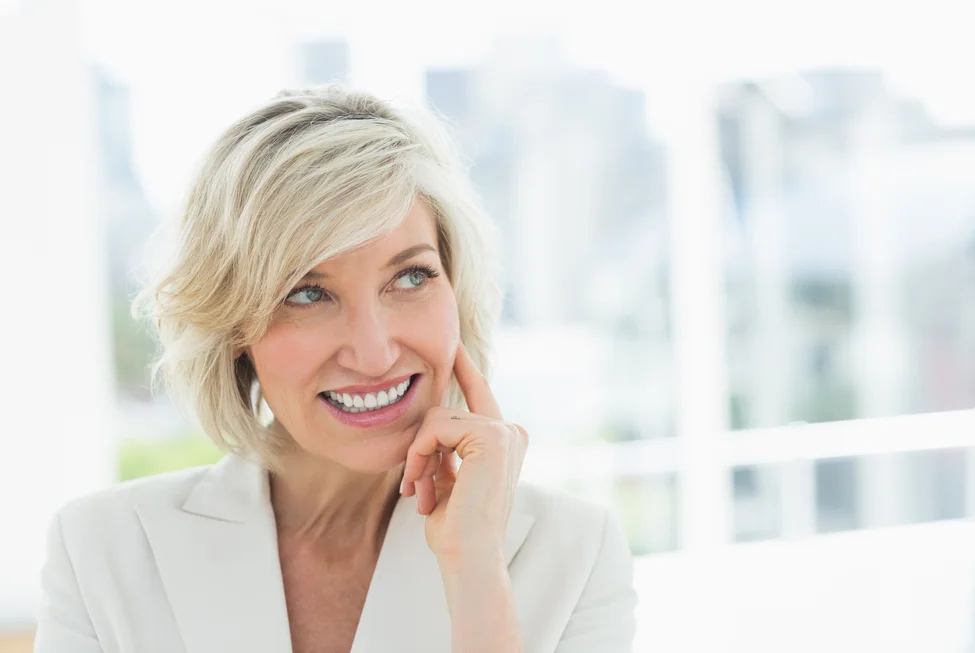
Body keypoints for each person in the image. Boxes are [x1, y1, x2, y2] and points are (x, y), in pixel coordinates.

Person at [33, 85, 637, 653]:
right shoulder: (101, 553)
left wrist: (477, 571)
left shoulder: (574, 555)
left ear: (456, 289)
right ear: (235, 327)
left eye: (410, 277)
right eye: (307, 293)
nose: (373, 354)